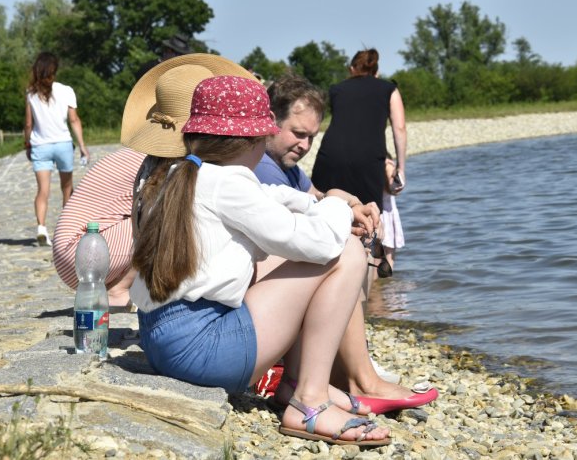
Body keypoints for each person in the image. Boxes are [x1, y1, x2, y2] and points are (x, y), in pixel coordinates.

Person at [128, 72, 392, 445]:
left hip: (162, 341)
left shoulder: (177, 174)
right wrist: (337, 206)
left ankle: (295, 385)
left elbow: (268, 196)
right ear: (252, 141)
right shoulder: (226, 184)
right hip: (204, 351)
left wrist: (323, 200)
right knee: (343, 253)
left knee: (284, 259)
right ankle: (309, 401)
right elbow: (316, 244)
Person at [52, 54, 246, 308]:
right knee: (173, 210)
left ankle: (122, 284)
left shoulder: (149, 151)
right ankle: (120, 290)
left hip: (80, 251)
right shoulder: (162, 160)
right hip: (83, 251)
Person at [254, 73, 402, 384]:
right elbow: (305, 227)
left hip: (270, 295)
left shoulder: (286, 166)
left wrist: (353, 208)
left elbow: (317, 198)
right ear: (271, 121)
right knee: (338, 254)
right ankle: (357, 374)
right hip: (259, 303)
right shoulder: (265, 168)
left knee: (344, 242)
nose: (305, 145)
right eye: (297, 133)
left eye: (311, 137)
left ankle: (354, 364)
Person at [311, 48, 406, 214]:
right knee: (368, 219)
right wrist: (400, 169)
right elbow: (399, 128)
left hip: (331, 157)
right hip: (368, 160)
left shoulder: (336, 90)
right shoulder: (389, 89)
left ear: (352, 69)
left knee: (324, 211)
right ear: (376, 72)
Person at [24, 52, 89, 247]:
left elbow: (28, 124)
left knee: (42, 191)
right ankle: (66, 231)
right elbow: (74, 120)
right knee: (67, 188)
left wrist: (27, 144)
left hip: (40, 145)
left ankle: (41, 228)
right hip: (63, 145)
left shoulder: (31, 93)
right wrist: (83, 147)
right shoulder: (66, 90)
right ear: (55, 70)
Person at [381, 152, 405, 270]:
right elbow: (397, 189)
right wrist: (396, 169)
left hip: (378, 215)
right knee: (389, 257)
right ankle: (387, 286)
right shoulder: (388, 168)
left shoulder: (371, 172)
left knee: (377, 258)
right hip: (387, 216)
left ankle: (378, 287)